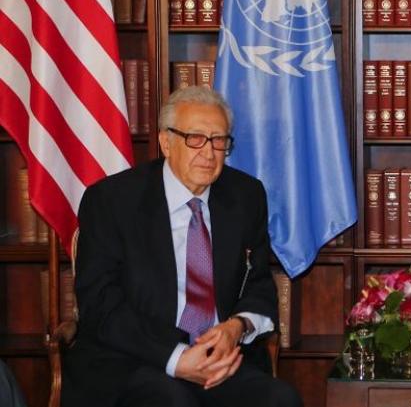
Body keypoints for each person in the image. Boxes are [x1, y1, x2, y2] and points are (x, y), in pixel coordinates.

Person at [61, 86, 302, 407]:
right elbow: (101, 304)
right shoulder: (112, 201)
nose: (209, 152)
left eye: (219, 140)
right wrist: (176, 359)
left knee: (281, 399)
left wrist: (236, 327)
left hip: (219, 362)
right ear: (166, 142)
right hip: (132, 360)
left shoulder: (245, 196)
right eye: (195, 138)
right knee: (173, 402)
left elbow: (257, 284)